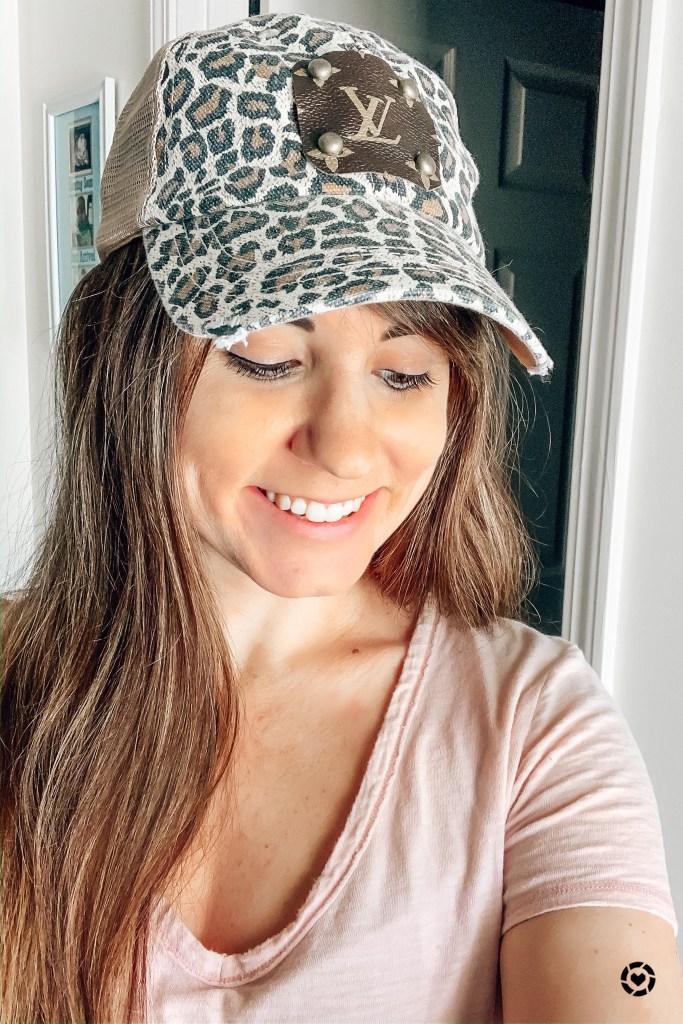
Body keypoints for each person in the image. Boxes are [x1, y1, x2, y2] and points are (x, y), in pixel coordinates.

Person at [2, 12, 682, 1024]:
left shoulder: (534, 727)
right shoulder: (17, 688)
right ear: (121, 365)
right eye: (268, 358)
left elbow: (628, 987)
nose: (348, 448)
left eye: (404, 374)